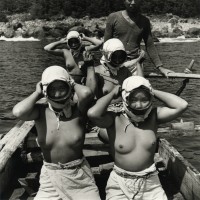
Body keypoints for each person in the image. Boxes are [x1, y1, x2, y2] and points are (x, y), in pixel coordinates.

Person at [87, 76, 188, 200]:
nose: (139, 105)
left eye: (144, 99)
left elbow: (182, 105)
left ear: (150, 99)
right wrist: (113, 93)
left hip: (151, 182)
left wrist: (152, 90)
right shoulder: (114, 119)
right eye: (133, 99)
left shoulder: (154, 116)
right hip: (120, 182)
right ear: (125, 98)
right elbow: (92, 113)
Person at [12, 66, 101, 200]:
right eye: (53, 89)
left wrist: (71, 82)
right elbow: (18, 112)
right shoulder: (40, 112)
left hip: (79, 175)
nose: (58, 94)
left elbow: (87, 93)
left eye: (62, 88)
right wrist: (37, 92)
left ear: (69, 87)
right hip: (50, 176)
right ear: (45, 90)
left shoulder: (79, 110)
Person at [104, 0, 174, 77]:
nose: (133, 2)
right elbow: (106, 44)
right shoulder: (113, 17)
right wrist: (109, 65)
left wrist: (160, 67)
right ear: (124, 1)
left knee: (138, 88)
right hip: (115, 64)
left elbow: (150, 45)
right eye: (129, 0)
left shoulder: (144, 21)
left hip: (136, 65)